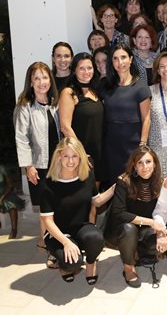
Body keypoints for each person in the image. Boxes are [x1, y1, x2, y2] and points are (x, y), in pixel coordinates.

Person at [39, 137, 114, 284]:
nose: (70, 161)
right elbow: (47, 221)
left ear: (80, 157)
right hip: (57, 234)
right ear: (59, 156)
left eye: (74, 156)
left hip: (80, 228)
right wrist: (66, 242)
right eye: (66, 156)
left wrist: (115, 187)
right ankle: (64, 267)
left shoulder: (86, 176)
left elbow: (97, 201)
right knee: (73, 263)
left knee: (97, 238)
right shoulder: (49, 184)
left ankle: (91, 264)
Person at [14, 62, 60, 264]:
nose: (42, 82)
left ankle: (47, 240)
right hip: (39, 165)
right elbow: (21, 138)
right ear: (31, 83)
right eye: (37, 78)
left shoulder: (55, 102)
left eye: (45, 77)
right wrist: (28, 165)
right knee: (46, 208)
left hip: (59, 165)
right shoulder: (25, 106)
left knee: (57, 206)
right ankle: (51, 248)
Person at [105, 146, 167, 288]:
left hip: (144, 228)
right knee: (129, 229)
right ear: (134, 165)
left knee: (157, 247)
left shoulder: (160, 182)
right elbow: (119, 214)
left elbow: (163, 210)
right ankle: (128, 268)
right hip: (122, 228)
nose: (145, 167)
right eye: (140, 163)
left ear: (155, 163)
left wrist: (161, 232)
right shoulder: (124, 181)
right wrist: (151, 222)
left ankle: (137, 250)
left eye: (148, 162)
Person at [100, 43, 151, 185]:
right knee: (115, 187)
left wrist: (142, 145)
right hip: (112, 147)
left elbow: (146, 118)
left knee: (135, 186)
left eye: (123, 57)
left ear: (131, 59)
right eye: (115, 59)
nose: (119, 62)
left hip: (134, 147)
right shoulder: (106, 86)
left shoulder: (140, 86)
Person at [59, 53, 105, 184]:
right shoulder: (68, 93)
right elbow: (65, 127)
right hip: (80, 154)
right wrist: (81, 155)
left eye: (89, 68)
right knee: (82, 197)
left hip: (98, 153)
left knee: (95, 198)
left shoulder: (95, 91)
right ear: (74, 70)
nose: (86, 72)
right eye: (82, 68)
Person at [0, 165, 26, 239]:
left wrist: (2, 197)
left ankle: (14, 229)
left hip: (6, 193)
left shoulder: (2, 168)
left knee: (11, 204)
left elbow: (9, 185)